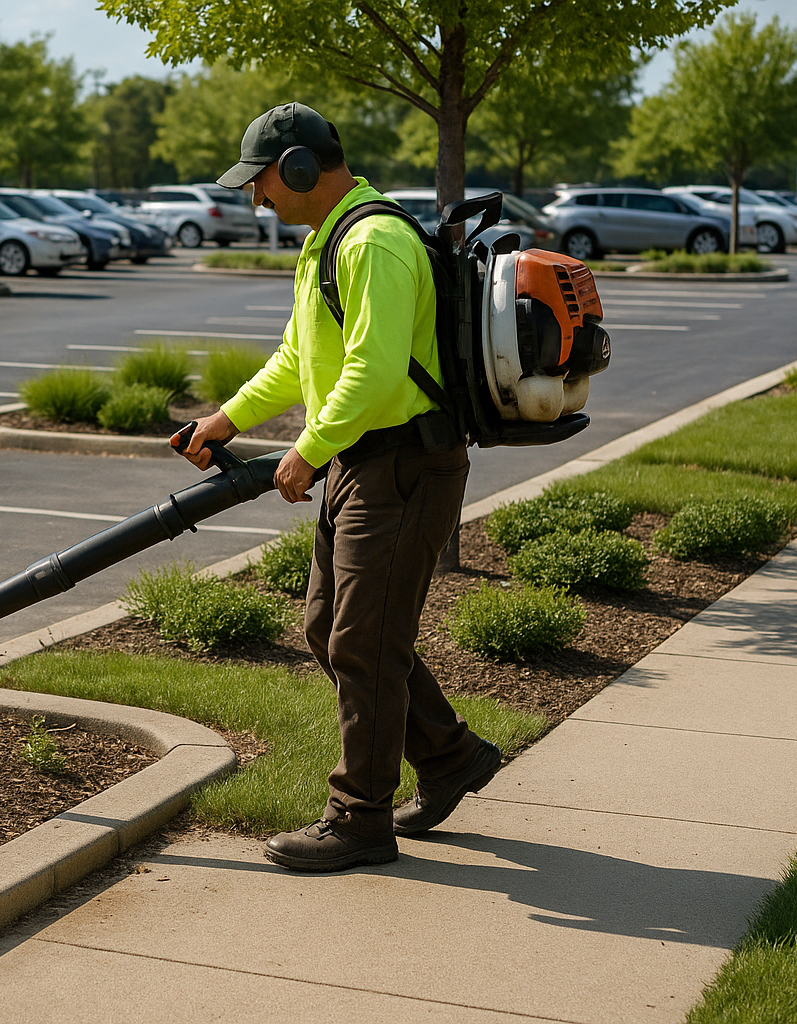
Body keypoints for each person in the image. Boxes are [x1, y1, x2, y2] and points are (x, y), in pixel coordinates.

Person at [175, 102, 501, 873]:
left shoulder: (375, 242)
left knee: (363, 642)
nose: (256, 198)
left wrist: (308, 450)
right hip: (365, 465)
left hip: (404, 466)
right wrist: (224, 419)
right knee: (333, 630)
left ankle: (359, 818)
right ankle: (451, 758)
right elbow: (300, 361)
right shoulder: (329, 242)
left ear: (295, 168)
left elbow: (375, 371)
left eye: (260, 182)